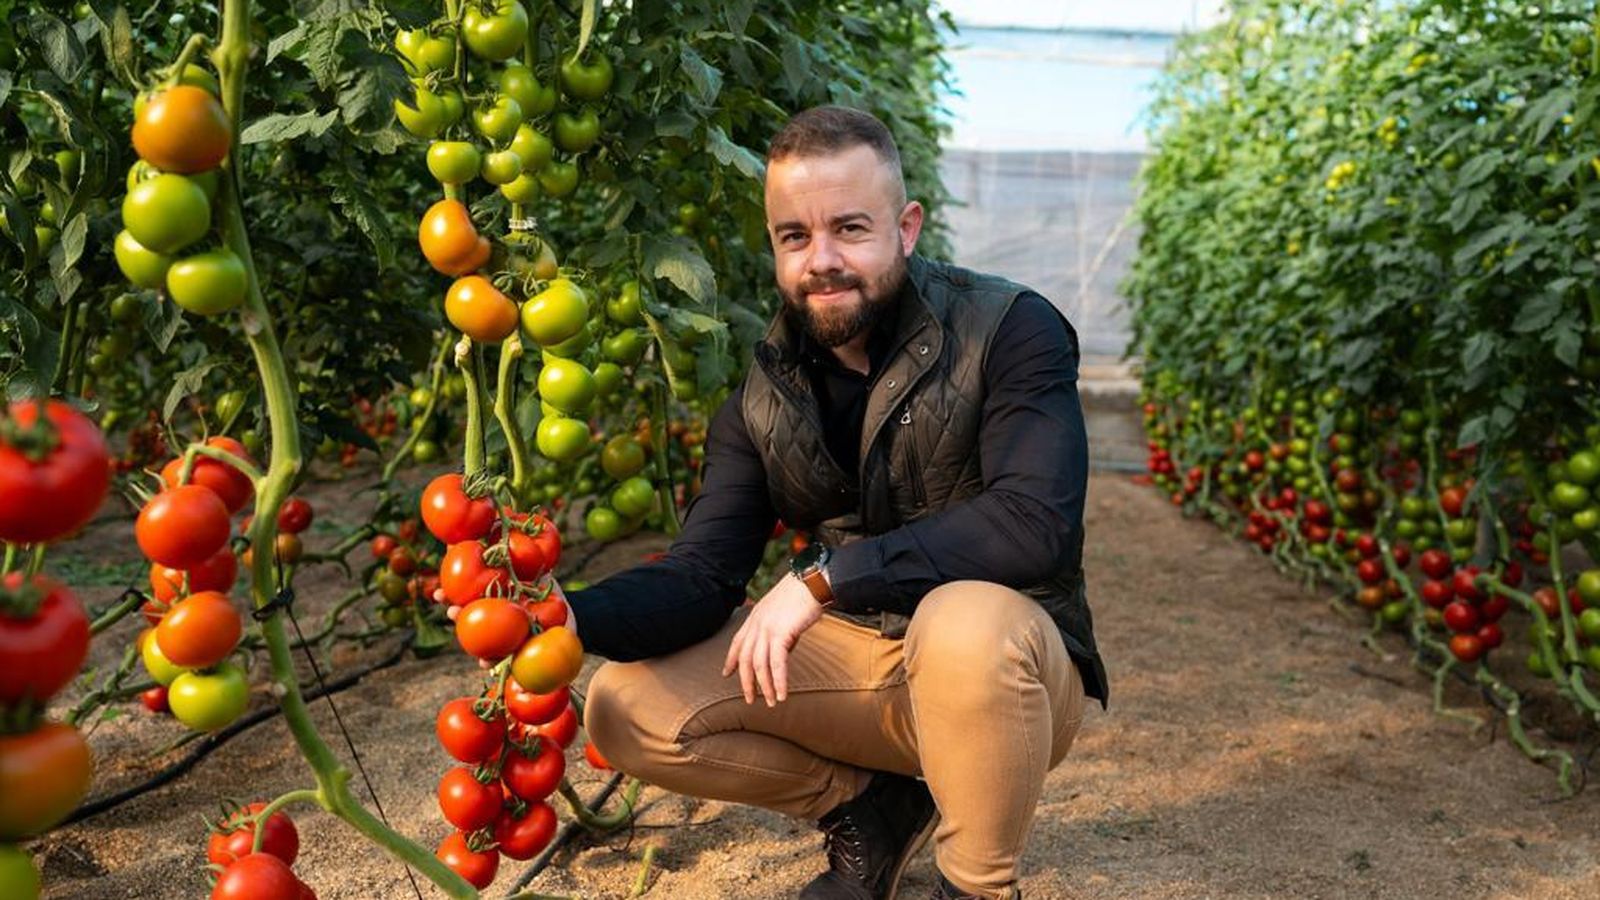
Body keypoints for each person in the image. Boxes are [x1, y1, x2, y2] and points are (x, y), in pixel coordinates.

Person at [563, 105, 1107, 900]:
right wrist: (563, 615)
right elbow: (702, 575)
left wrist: (825, 578)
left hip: (1006, 672)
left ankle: (976, 884)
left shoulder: (1007, 330)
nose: (822, 260)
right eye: (795, 236)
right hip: (863, 664)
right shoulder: (764, 395)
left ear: (906, 228)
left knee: (964, 624)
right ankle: (871, 811)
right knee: (624, 705)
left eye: (850, 229)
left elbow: (1035, 524)